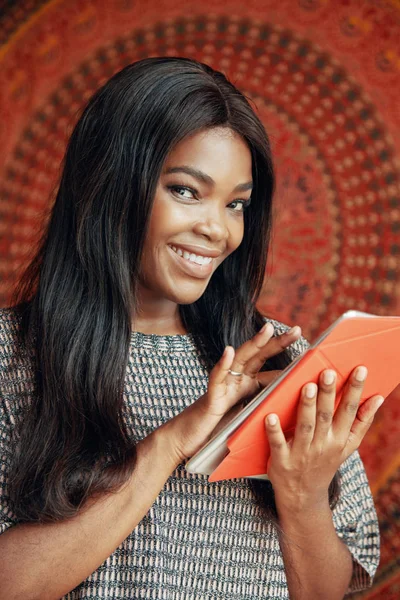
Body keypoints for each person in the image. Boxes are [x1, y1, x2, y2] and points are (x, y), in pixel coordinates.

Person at [0, 57, 381, 600]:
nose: (217, 229)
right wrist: (172, 442)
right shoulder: (12, 356)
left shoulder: (280, 362)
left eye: (236, 205)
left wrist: (303, 497)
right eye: (185, 190)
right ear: (109, 183)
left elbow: (331, 592)